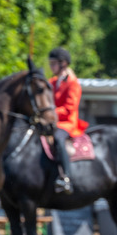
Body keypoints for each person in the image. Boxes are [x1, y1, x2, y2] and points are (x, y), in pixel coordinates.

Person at [47, 47, 88, 194]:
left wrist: (49, 113)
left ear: (63, 64)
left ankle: (66, 177)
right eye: (50, 64)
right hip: (51, 121)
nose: (51, 67)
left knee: (58, 138)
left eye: (53, 64)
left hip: (67, 123)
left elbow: (69, 109)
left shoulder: (73, 84)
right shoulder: (51, 82)